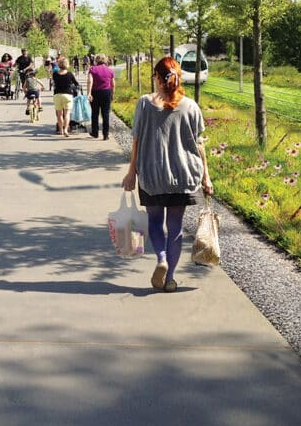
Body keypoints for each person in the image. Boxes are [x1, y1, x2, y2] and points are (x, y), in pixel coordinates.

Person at [121, 57, 213, 293]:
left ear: (157, 77)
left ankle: (160, 258)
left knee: (154, 221)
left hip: (152, 174)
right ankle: (170, 277)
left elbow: (137, 141)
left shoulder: (144, 103)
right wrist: (206, 177)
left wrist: (131, 172)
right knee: (175, 226)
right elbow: (199, 144)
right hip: (182, 176)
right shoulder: (191, 106)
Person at [87, 54, 116, 140]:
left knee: (95, 113)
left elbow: (90, 81)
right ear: (105, 60)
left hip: (95, 92)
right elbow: (113, 84)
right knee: (105, 114)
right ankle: (105, 134)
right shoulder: (110, 70)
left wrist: (89, 93)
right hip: (106, 92)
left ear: (96, 60)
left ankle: (95, 132)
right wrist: (112, 94)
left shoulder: (92, 69)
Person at [51, 56, 79, 137]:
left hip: (57, 95)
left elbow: (54, 83)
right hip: (67, 95)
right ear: (67, 64)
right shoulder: (70, 74)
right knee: (67, 114)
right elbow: (76, 83)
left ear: (59, 64)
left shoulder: (55, 74)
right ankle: (66, 129)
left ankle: (61, 130)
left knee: (59, 114)